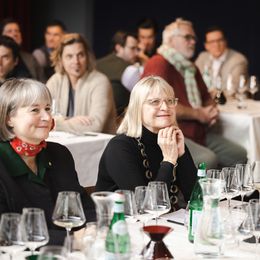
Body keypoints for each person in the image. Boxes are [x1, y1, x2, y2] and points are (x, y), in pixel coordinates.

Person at [0, 78, 96, 245]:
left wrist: (94, 228)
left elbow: (82, 205)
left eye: (48, 108)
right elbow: (6, 231)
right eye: (35, 110)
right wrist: (70, 241)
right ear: (9, 118)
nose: (46, 117)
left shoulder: (59, 153)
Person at [142, 18, 247, 168]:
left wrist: (211, 111)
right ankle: (198, 191)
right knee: (208, 160)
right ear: (171, 40)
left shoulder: (191, 67)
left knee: (239, 154)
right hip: (170, 135)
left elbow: (206, 97)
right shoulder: (158, 63)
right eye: (187, 37)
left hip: (198, 132)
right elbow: (157, 106)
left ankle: (227, 190)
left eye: (193, 38)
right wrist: (199, 114)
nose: (193, 42)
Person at [96, 76, 197, 210]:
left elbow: (196, 198)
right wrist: (169, 161)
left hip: (164, 222)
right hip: (121, 225)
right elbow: (146, 207)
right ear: (137, 108)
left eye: (170, 101)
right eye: (155, 102)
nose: (165, 107)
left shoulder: (169, 140)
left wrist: (182, 155)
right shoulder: (119, 147)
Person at [47, 33, 116, 135]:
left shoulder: (100, 81)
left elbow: (96, 126)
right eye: (69, 56)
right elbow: (41, 118)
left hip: (98, 147)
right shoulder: (55, 81)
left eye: (81, 55)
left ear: (87, 57)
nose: (76, 61)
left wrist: (56, 124)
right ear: (60, 59)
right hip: (63, 143)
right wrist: (69, 121)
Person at [97, 30, 139, 118]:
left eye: (137, 49)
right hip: (117, 121)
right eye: (132, 48)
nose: (136, 53)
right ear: (118, 48)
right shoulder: (129, 69)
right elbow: (146, 94)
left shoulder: (97, 63)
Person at [195, 26, 248, 92]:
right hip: (205, 100)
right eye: (212, 42)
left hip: (231, 101)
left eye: (220, 40)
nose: (216, 45)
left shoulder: (238, 60)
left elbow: (233, 89)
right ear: (206, 46)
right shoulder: (202, 57)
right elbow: (194, 81)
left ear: (225, 42)